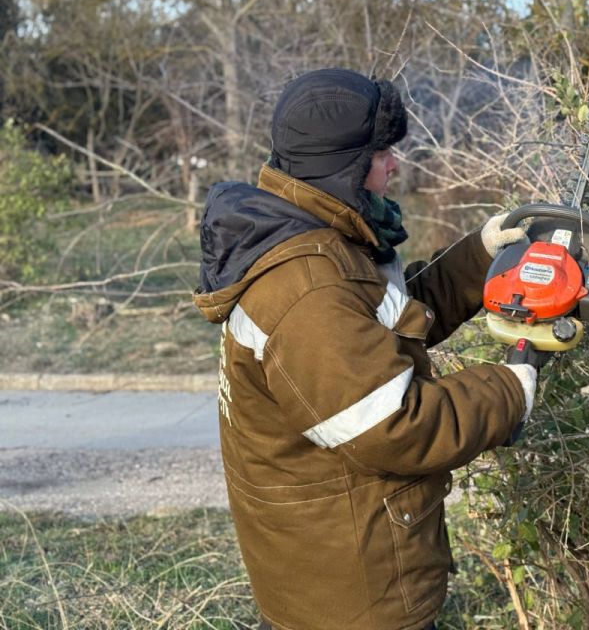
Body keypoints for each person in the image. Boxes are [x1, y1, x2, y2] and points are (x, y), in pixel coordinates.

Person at [193, 68, 538, 630]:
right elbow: (394, 428)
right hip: (353, 593)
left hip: (326, 566)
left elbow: (380, 332)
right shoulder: (309, 288)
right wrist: (510, 388)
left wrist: (480, 257)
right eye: (381, 154)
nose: (394, 166)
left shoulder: (312, 238)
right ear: (345, 166)